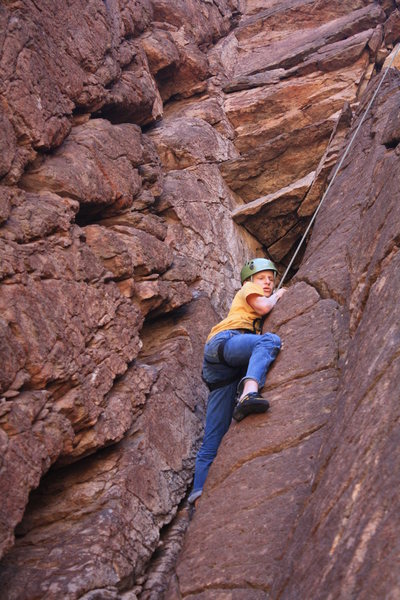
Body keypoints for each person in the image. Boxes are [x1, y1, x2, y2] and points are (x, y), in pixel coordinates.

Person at [188, 258, 286, 505]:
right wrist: (279, 294)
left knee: (214, 435)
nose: (268, 282)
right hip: (225, 343)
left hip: (222, 372)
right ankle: (249, 392)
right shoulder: (247, 289)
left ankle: (197, 496)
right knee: (269, 341)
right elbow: (264, 307)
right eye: (262, 278)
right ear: (248, 281)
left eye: (271, 279)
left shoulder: (250, 299)